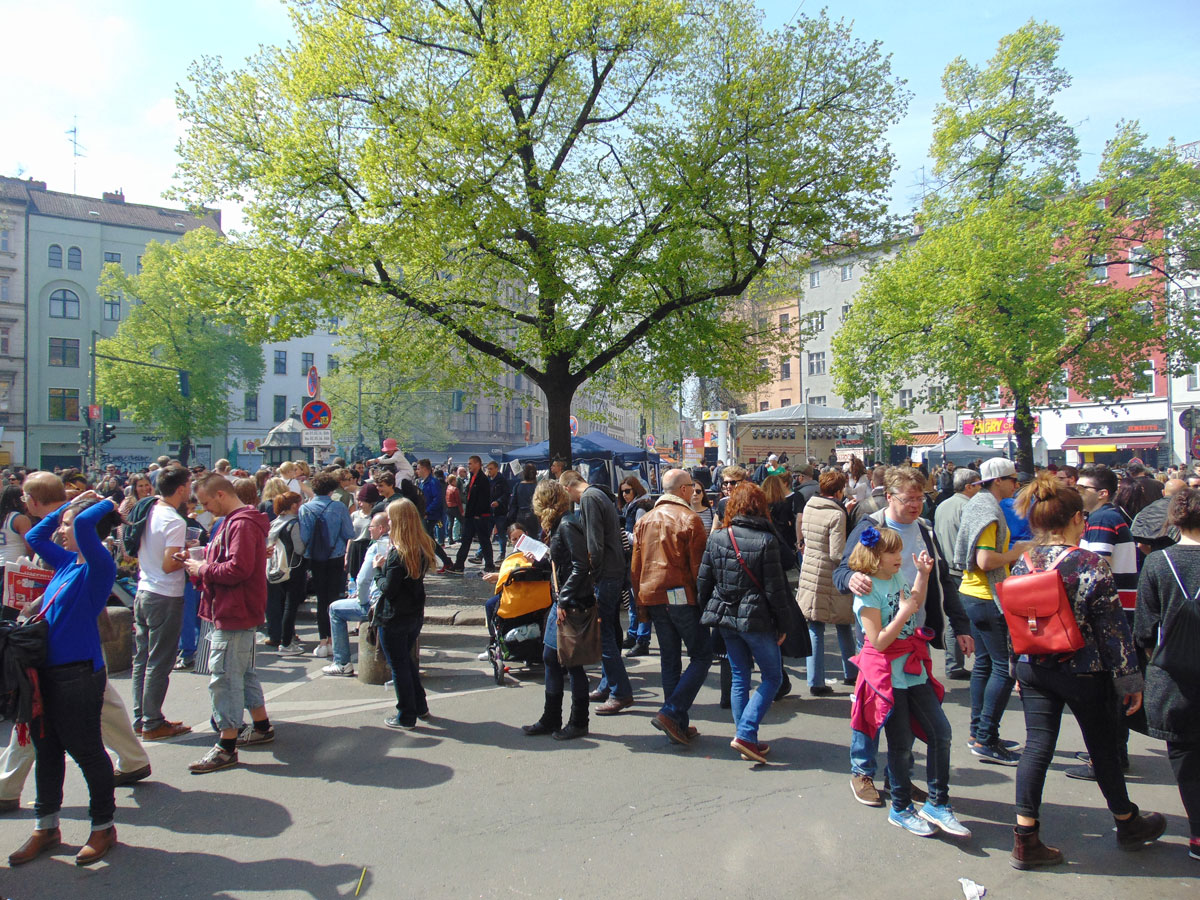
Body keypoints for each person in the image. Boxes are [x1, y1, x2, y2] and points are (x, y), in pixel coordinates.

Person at [1007, 475, 1165, 868]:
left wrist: (1016, 666)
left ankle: (1025, 838)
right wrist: (1129, 679)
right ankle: (1127, 822)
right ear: (1077, 518)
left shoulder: (1023, 561)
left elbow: (1016, 619)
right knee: (1103, 748)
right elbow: (1113, 629)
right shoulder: (1089, 563)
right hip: (1083, 668)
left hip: (1034, 664)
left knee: (1037, 747)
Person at [834, 466, 974, 808]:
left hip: (915, 636)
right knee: (872, 708)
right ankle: (862, 772)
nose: (915, 505)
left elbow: (942, 580)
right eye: (908, 498)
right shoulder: (871, 527)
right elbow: (842, 570)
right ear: (889, 496)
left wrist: (961, 626)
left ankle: (900, 777)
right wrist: (851, 579)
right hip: (878, 635)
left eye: (920, 498)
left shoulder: (925, 529)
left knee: (906, 714)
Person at [8, 490, 123, 867]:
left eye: (68, 525)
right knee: (46, 751)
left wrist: (105, 500)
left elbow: (88, 523)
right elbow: (35, 537)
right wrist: (64, 509)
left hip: (78, 673)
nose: (62, 530)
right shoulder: (67, 562)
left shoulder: (98, 565)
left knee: (87, 751)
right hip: (44, 671)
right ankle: (46, 827)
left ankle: (103, 826)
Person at [846, 525, 967, 838]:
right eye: (892, 551)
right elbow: (879, 641)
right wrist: (902, 614)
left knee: (941, 732)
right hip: (887, 675)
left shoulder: (896, 576)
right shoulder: (867, 590)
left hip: (913, 670)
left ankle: (938, 803)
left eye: (899, 550)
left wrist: (923, 576)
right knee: (900, 746)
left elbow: (913, 603)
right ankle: (900, 809)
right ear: (874, 556)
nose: (899, 556)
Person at [183, 474, 274, 774]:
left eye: (207, 502)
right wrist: (201, 563)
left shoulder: (240, 523)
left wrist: (202, 568)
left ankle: (226, 746)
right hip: (235, 608)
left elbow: (237, 569)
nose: (206, 508)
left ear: (221, 494)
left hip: (234, 609)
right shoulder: (239, 521)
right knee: (242, 673)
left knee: (224, 678)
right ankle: (261, 726)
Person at [698, 482, 789, 763]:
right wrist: (782, 624)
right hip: (756, 618)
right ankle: (746, 734)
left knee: (740, 676)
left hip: (725, 616)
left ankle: (744, 737)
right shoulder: (767, 540)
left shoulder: (717, 537)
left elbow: (704, 581)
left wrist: (706, 610)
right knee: (772, 677)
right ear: (760, 506)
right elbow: (776, 590)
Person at [1134, 487, 1200, 863]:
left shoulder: (1158, 563)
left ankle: (1198, 834)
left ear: (1173, 520)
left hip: (1173, 679)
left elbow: (1145, 628)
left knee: (1186, 758)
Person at [952, 457, 1030, 766]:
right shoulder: (988, 509)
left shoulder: (980, 503)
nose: (1016, 485)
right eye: (1013, 480)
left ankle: (980, 733)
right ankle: (985, 737)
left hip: (975, 595)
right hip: (986, 597)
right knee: (1004, 668)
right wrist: (1016, 553)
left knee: (985, 665)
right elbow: (984, 561)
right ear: (998, 480)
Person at [1066, 463, 1141, 781]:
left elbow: (1094, 569)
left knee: (1107, 691)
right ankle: (1112, 752)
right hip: (1119, 609)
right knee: (1112, 689)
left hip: (1109, 613)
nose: (1077, 492)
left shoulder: (1101, 520)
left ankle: (1108, 757)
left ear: (1102, 493)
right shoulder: (1113, 515)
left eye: (1082, 488)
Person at [632, 468, 711, 744]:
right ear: (684, 490)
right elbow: (698, 567)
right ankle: (672, 712)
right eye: (691, 487)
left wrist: (640, 601)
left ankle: (676, 721)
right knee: (702, 655)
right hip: (681, 595)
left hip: (653, 594)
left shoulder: (645, 520)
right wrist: (705, 601)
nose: (693, 492)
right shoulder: (689, 518)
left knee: (670, 658)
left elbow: (636, 567)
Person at [522, 480, 594, 740]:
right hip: (564, 600)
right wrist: (540, 562)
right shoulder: (560, 524)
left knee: (571, 663)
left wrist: (563, 600)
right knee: (551, 658)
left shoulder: (566, 524)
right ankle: (551, 717)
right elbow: (563, 563)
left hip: (571, 603)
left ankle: (578, 721)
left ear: (543, 502)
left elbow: (580, 566)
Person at [560, 469, 633, 716]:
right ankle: (608, 685)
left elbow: (595, 544)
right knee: (609, 630)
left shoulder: (589, 498)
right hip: (613, 571)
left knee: (604, 635)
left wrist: (592, 574)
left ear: (568, 488)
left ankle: (620, 692)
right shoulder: (599, 495)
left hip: (606, 575)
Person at [131, 466, 193, 742]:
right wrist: (189, 555)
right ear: (180, 489)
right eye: (189, 485)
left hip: (144, 589)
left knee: (142, 659)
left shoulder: (150, 510)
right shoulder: (174, 520)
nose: (190, 489)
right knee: (159, 661)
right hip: (165, 595)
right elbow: (169, 564)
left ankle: (141, 717)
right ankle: (153, 722)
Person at [372, 500, 434, 726]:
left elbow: (389, 589)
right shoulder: (421, 546)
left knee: (399, 666)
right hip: (413, 614)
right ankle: (420, 706)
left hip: (394, 617)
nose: (388, 523)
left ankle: (406, 715)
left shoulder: (398, 553)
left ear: (399, 521)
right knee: (406, 662)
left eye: (390, 519)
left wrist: (377, 571)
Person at [797, 470, 856, 696]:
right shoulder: (837, 514)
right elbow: (837, 553)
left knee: (815, 625)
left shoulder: (810, 506)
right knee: (843, 622)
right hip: (830, 574)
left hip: (810, 570)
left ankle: (815, 679)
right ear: (839, 491)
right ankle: (851, 672)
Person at [298, 472, 357, 658]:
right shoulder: (339, 507)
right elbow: (349, 533)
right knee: (334, 598)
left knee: (321, 599)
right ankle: (334, 640)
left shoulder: (305, 508)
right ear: (331, 489)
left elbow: (304, 537)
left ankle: (322, 640)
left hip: (315, 557)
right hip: (336, 556)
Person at [324, 511, 388, 676]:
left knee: (334, 609)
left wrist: (362, 600)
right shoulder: (404, 544)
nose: (369, 530)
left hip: (377, 604)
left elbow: (363, 579)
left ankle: (342, 663)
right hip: (400, 604)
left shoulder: (376, 547)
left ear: (381, 528)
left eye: (371, 526)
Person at [932, 468, 981, 680]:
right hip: (963, 570)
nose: (981, 488)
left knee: (955, 617)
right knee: (965, 617)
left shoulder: (943, 505)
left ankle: (954, 662)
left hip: (946, 566)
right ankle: (960, 662)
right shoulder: (968, 507)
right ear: (968, 486)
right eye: (978, 484)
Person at [617, 475, 655, 656]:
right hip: (632, 558)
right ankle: (634, 635)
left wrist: (621, 534)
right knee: (633, 600)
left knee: (639, 601)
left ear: (636, 489)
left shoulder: (639, 508)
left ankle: (641, 638)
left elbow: (640, 538)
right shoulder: (631, 507)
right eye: (622, 492)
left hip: (638, 559)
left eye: (627, 491)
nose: (624, 495)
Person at [265, 492, 307, 654]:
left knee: (281, 604)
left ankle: (282, 638)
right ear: (294, 505)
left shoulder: (274, 523)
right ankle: (287, 643)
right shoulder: (294, 524)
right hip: (293, 568)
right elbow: (299, 549)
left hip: (277, 568)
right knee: (291, 606)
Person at [449, 456, 496, 574]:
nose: (468, 466)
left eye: (470, 464)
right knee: (466, 540)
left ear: (477, 464)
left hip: (479, 515)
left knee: (483, 540)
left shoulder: (482, 479)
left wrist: (478, 513)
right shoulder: (472, 477)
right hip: (471, 515)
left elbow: (483, 498)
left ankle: (489, 564)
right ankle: (459, 565)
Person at [0, 484, 33, 606]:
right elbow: (29, 545)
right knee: (10, 606)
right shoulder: (20, 519)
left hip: (1, 562)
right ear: (16, 500)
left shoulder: (3, 518)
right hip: (14, 566)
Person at [508, 463, 540, 537]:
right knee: (533, 538)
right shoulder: (538, 487)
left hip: (520, 515)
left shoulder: (517, 486)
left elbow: (513, 503)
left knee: (521, 538)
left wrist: (510, 517)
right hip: (534, 516)